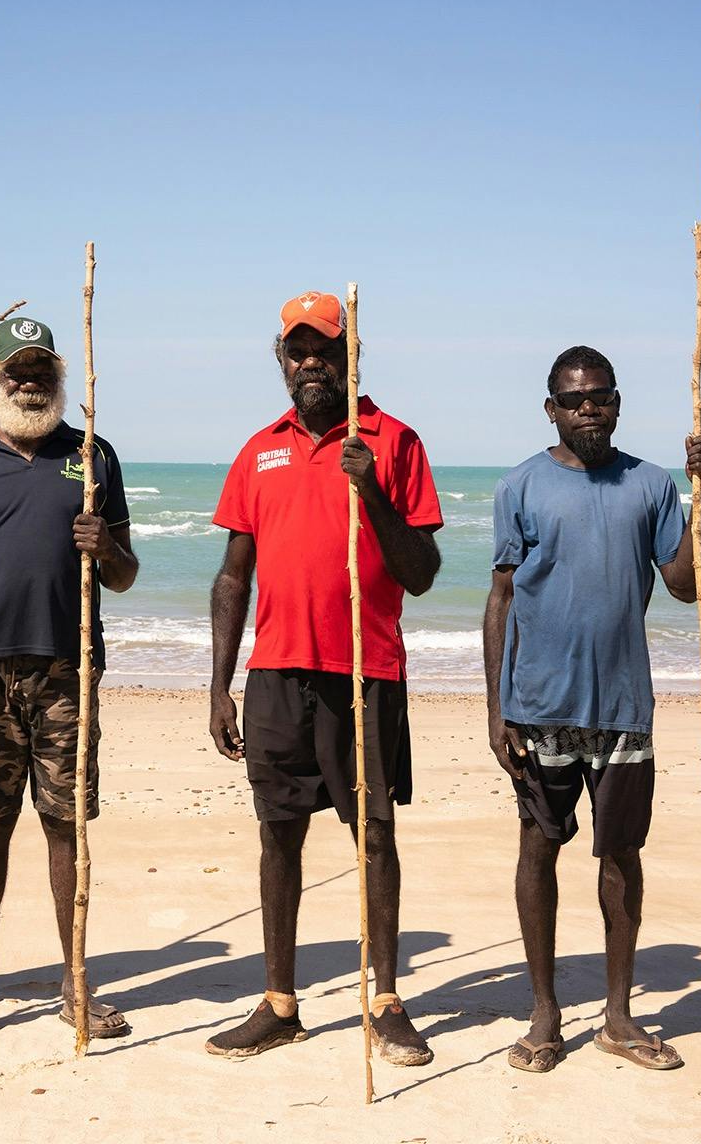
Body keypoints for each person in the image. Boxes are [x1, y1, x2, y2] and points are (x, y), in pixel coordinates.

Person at [206, 291, 442, 1064]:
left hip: (363, 673)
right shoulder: (259, 448)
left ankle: (385, 999)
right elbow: (233, 577)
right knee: (279, 834)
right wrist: (219, 685)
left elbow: (423, 574)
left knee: (373, 833)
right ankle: (280, 1002)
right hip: (275, 671)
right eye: (297, 352)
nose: (311, 364)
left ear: (350, 358)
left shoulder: (393, 441)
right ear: (282, 362)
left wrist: (369, 486)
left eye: (325, 351)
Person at [483, 346, 701, 1073]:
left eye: (601, 397)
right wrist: (497, 708)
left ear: (617, 403)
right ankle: (545, 1013)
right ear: (550, 408)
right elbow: (500, 601)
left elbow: (684, 583)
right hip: (540, 705)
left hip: (622, 707)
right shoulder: (520, 485)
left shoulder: (650, 485)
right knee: (538, 848)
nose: (589, 408)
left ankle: (617, 1017)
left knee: (621, 856)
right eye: (574, 399)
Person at [0, 316, 139, 1051]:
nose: (30, 380)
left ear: (60, 378)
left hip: (64, 670)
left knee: (66, 825)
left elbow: (126, 574)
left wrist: (105, 546)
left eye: (42, 369)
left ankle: (75, 985)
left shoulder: (93, 454)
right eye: (17, 369)